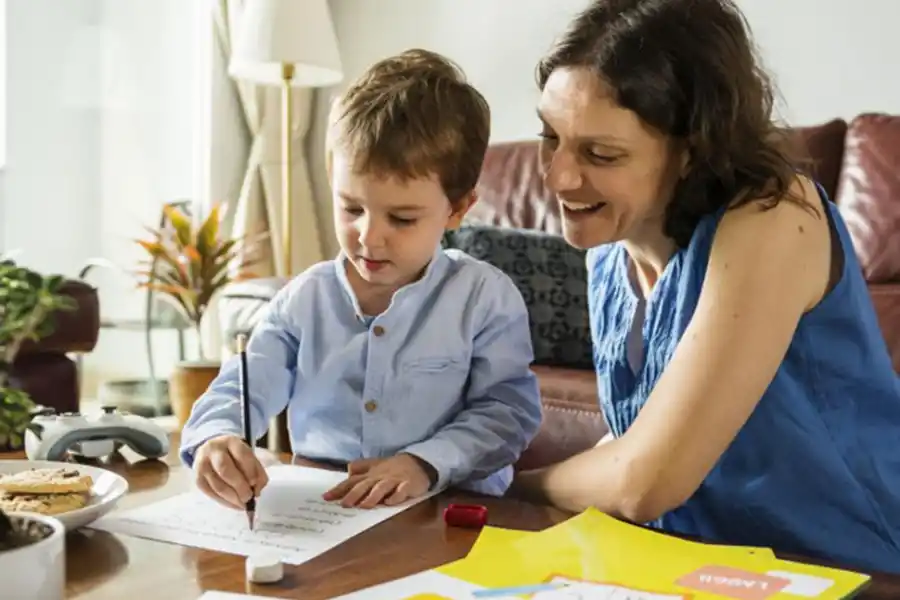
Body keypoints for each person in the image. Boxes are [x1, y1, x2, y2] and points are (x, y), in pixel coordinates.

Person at [509, 0, 900, 575]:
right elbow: (635, 443)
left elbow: (643, 481)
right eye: (550, 136)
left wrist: (507, 486)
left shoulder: (774, 216)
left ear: (692, 150)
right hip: (707, 569)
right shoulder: (609, 252)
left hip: (852, 568)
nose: (557, 176)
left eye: (601, 154)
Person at [180, 49, 542, 511]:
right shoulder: (305, 298)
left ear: (457, 209)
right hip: (322, 507)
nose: (369, 237)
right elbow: (245, 383)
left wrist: (423, 463)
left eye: (402, 218)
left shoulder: (484, 298)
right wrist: (216, 435)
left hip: (445, 508)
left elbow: (507, 414)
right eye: (351, 208)